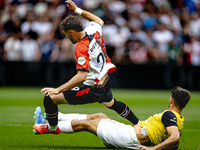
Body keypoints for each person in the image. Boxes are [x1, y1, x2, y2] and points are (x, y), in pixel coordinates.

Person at [40, 0, 139, 133]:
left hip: (91, 89)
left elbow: (82, 76)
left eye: (66, 34)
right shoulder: (93, 30)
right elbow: (99, 20)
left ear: (72, 32)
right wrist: (77, 10)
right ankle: (138, 123)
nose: (67, 37)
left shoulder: (81, 48)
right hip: (105, 81)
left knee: (50, 98)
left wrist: (58, 89)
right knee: (111, 103)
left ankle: (52, 127)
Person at [34, 86, 191, 150]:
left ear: (172, 100)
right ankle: (57, 116)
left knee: (87, 124)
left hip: (127, 137)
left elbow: (175, 138)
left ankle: (47, 127)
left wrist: (152, 149)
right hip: (129, 137)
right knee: (100, 116)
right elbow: (173, 143)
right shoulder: (179, 119)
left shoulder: (170, 115)